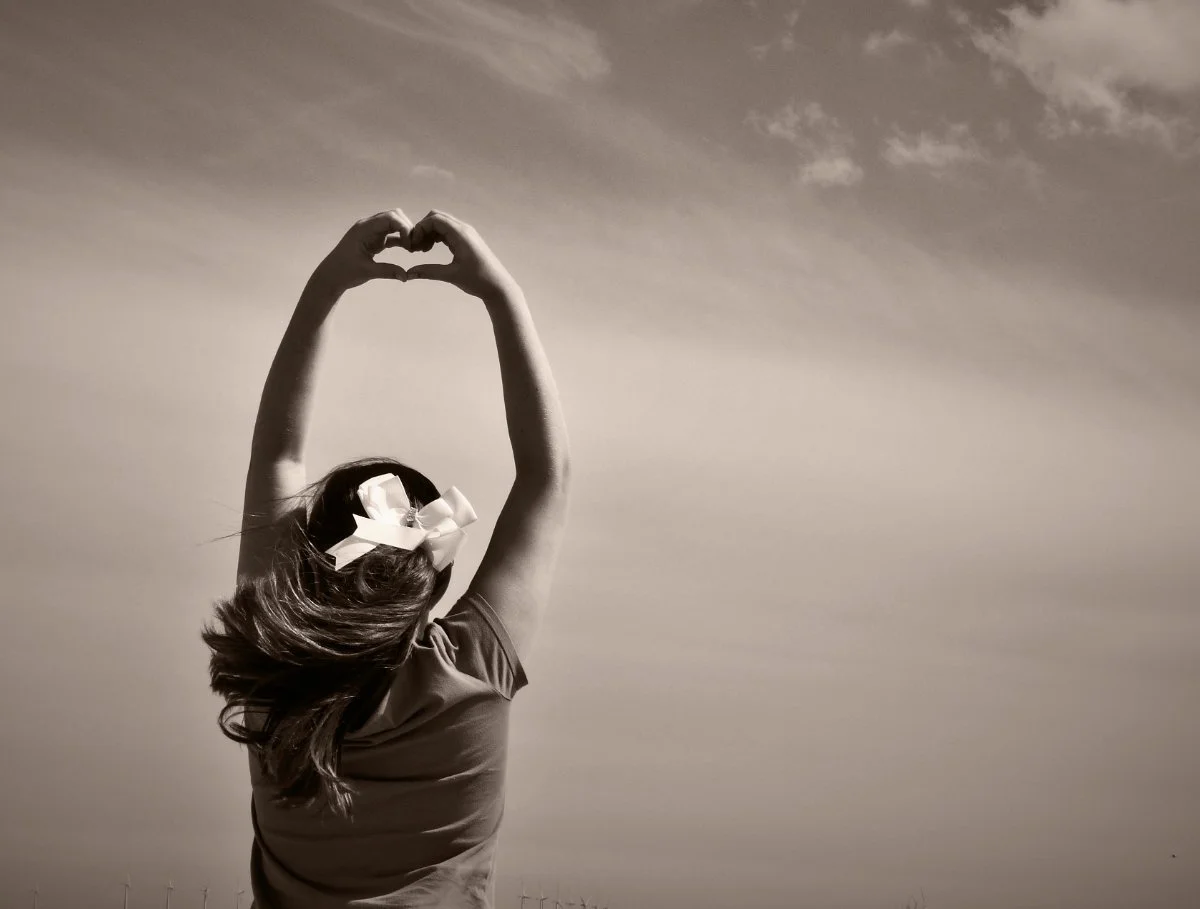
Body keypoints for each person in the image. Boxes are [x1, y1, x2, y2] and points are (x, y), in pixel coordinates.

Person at [203, 208, 571, 908]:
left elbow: (277, 455)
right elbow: (545, 473)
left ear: (309, 560)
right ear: (431, 572)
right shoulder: (473, 668)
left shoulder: (273, 669)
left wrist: (328, 285)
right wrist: (498, 290)